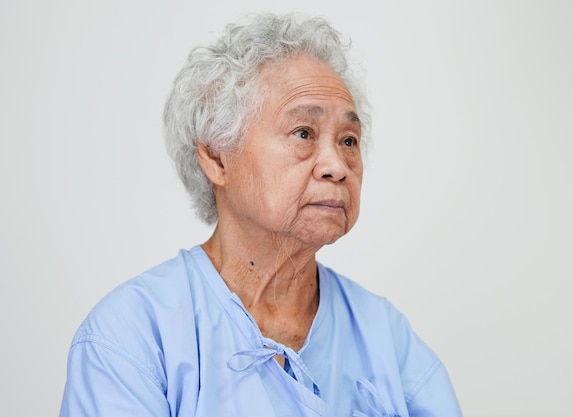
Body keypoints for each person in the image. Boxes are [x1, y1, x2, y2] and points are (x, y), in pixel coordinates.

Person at [59, 12, 463, 417]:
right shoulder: (132, 335)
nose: (337, 166)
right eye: (304, 133)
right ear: (217, 157)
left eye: (349, 140)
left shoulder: (386, 336)